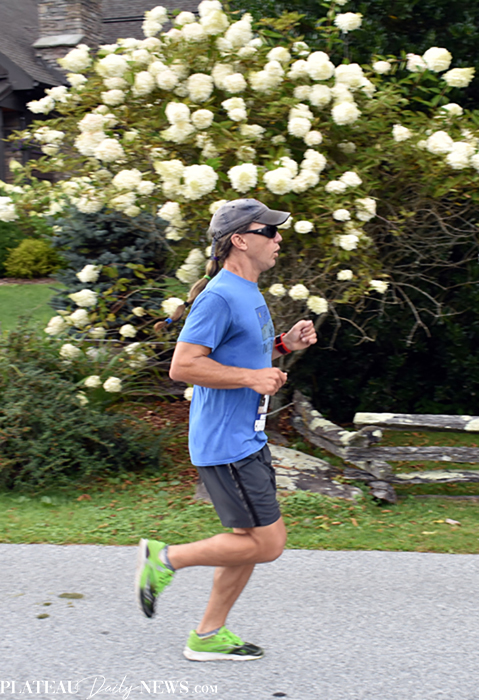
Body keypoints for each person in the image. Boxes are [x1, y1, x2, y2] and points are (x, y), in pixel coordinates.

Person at [135, 198, 317, 661]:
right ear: (240, 240)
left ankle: (208, 634)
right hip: (227, 442)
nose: (278, 238)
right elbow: (183, 366)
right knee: (268, 544)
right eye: (269, 231)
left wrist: (283, 345)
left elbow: (241, 354)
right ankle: (165, 558)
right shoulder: (218, 296)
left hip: (245, 435)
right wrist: (252, 379)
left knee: (246, 543)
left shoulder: (246, 290)